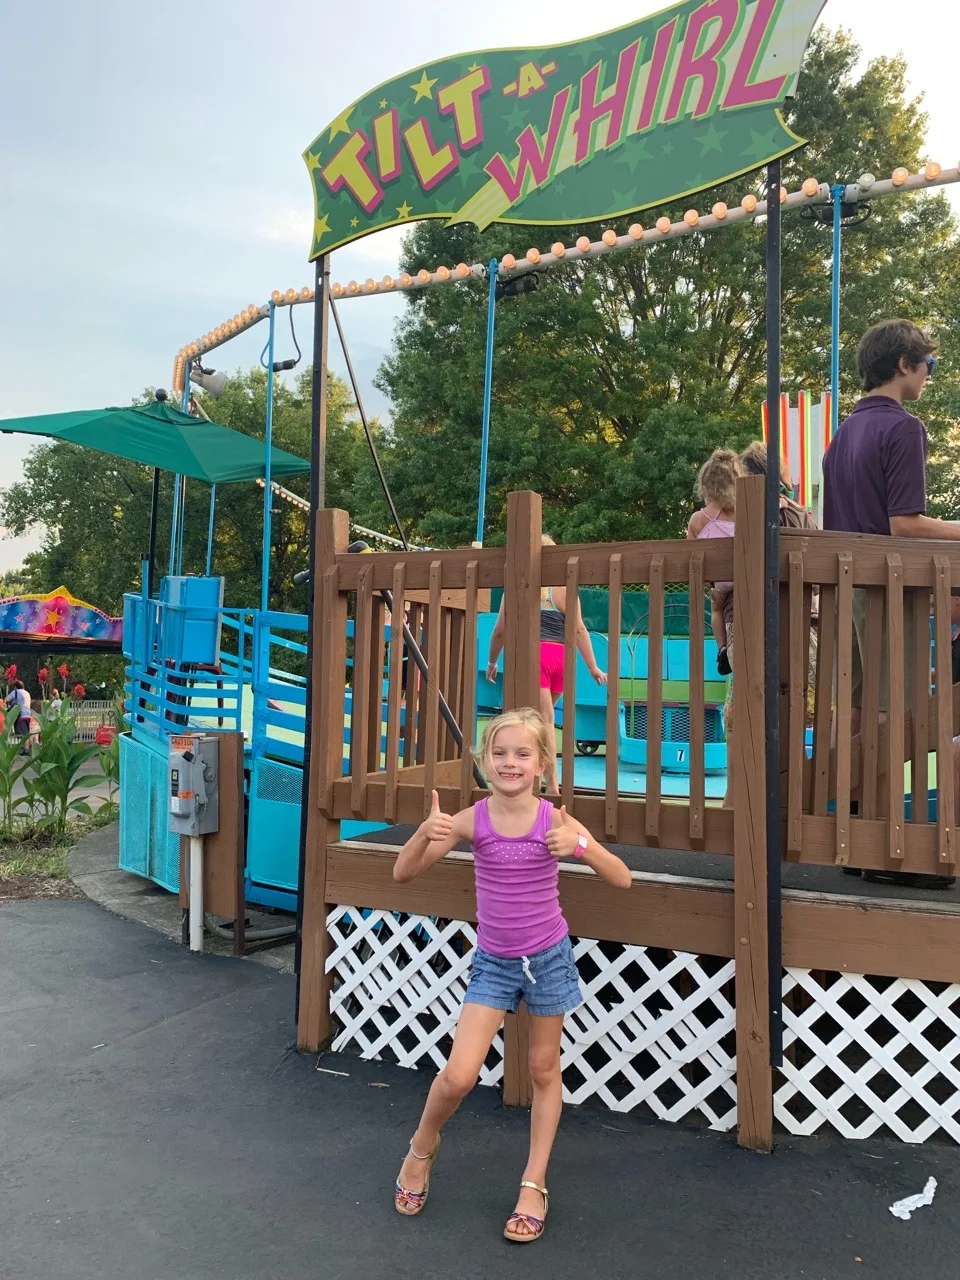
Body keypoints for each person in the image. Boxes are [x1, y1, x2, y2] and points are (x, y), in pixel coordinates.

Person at [392, 707, 631, 1241]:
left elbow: (623, 878)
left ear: (543, 764)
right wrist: (421, 834)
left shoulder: (558, 822)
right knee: (459, 1075)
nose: (510, 762)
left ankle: (533, 1183)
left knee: (544, 1070)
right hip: (494, 963)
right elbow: (403, 872)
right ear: (483, 761)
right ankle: (422, 1146)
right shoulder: (472, 820)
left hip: (548, 960)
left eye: (523, 753)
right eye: (499, 753)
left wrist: (583, 847)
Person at [823, 318, 959, 887]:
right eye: (927, 364)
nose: (930, 373)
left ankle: (851, 830)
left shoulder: (842, 434)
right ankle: (886, 848)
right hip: (889, 586)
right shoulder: (903, 428)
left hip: (848, 587)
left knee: (857, 708)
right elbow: (905, 524)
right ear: (904, 364)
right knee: (894, 712)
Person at [486, 535, 606, 796]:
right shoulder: (564, 589)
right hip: (561, 658)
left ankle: (551, 782)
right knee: (542, 719)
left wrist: (492, 660)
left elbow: (500, 630)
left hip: (536, 655)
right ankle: (537, 773)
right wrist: (592, 666)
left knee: (543, 720)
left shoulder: (516, 587)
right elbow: (579, 629)